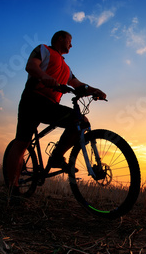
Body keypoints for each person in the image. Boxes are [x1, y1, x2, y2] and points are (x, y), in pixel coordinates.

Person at [6, 30, 106, 195]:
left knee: (81, 121)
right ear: (60, 38)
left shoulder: (66, 68)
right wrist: (44, 76)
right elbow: (31, 66)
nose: (71, 45)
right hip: (32, 100)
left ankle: (57, 157)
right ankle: (12, 188)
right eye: (69, 40)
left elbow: (78, 85)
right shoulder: (44, 50)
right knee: (22, 142)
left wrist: (95, 90)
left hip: (50, 105)